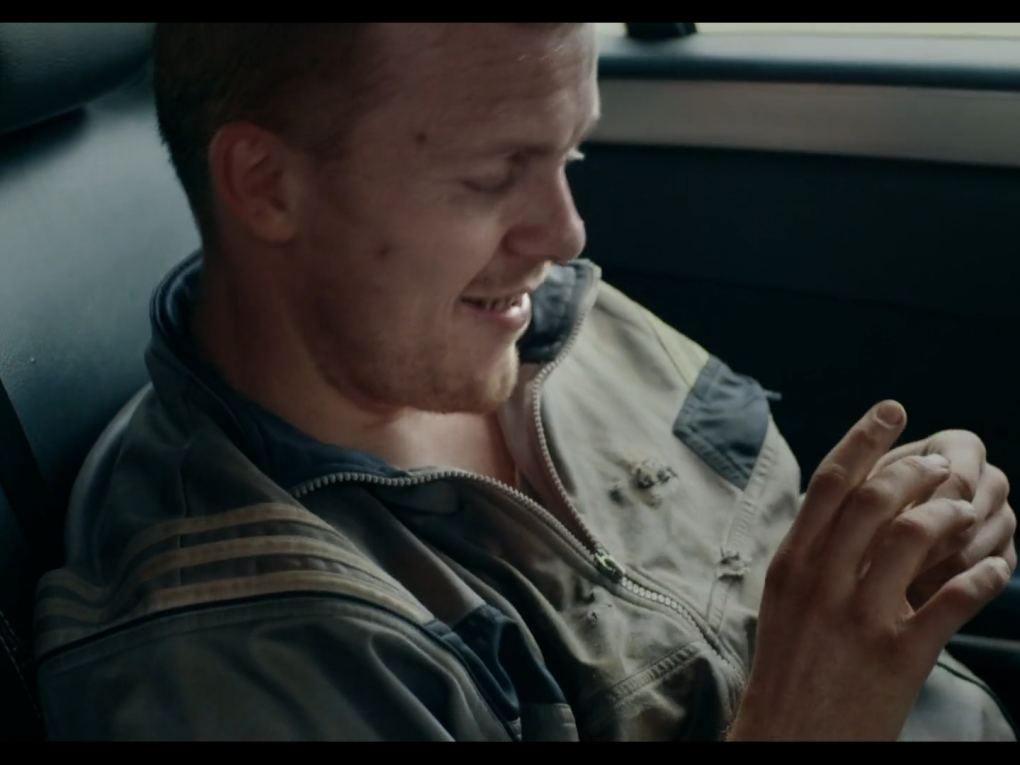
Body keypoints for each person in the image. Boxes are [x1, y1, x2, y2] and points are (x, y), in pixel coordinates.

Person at [33, 23, 1017, 741]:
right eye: (491, 177)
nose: (566, 234)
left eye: (570, 151)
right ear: (266, 184)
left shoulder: (524, 318)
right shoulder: (245, 663)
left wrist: (886, 565)